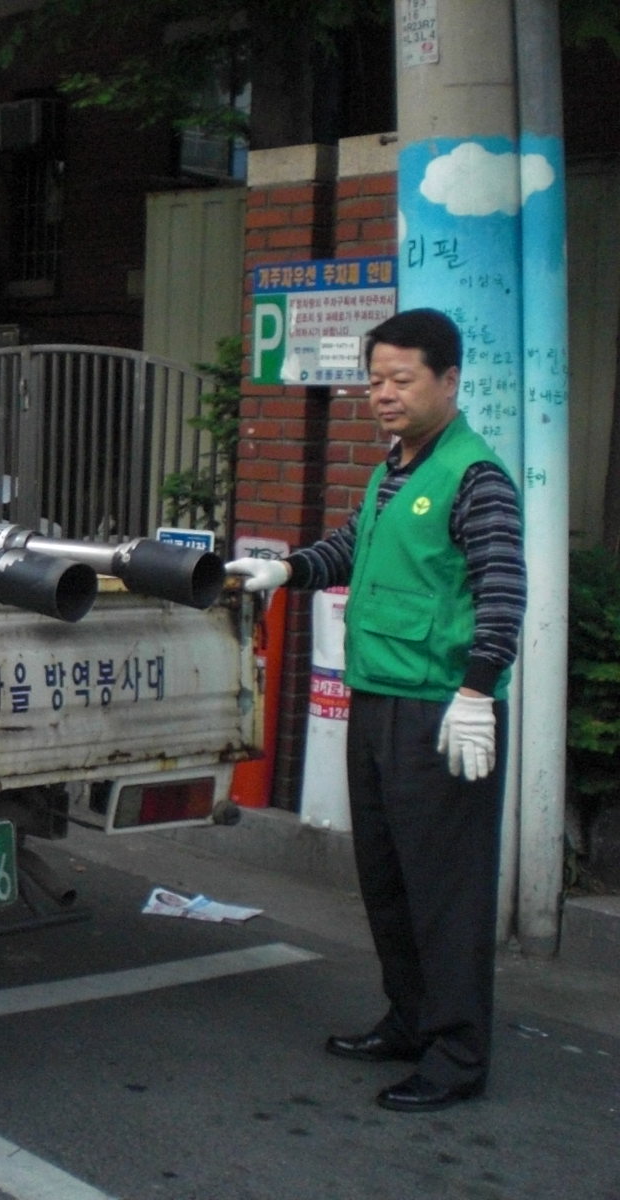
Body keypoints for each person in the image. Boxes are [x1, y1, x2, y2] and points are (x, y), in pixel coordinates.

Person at [226, 308, 526, 1114]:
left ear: (449, 381)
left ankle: (458, 1056)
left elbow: (503, 592)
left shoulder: (474, 475)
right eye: (375, 379)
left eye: (402, 379)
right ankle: (410, 1019)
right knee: (388, 881)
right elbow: (352, 546)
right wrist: (285, 571)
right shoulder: (393, 467)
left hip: (440, 712)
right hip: (378, 699)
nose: (383, 394)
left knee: (445, 893)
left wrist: (477, 692)